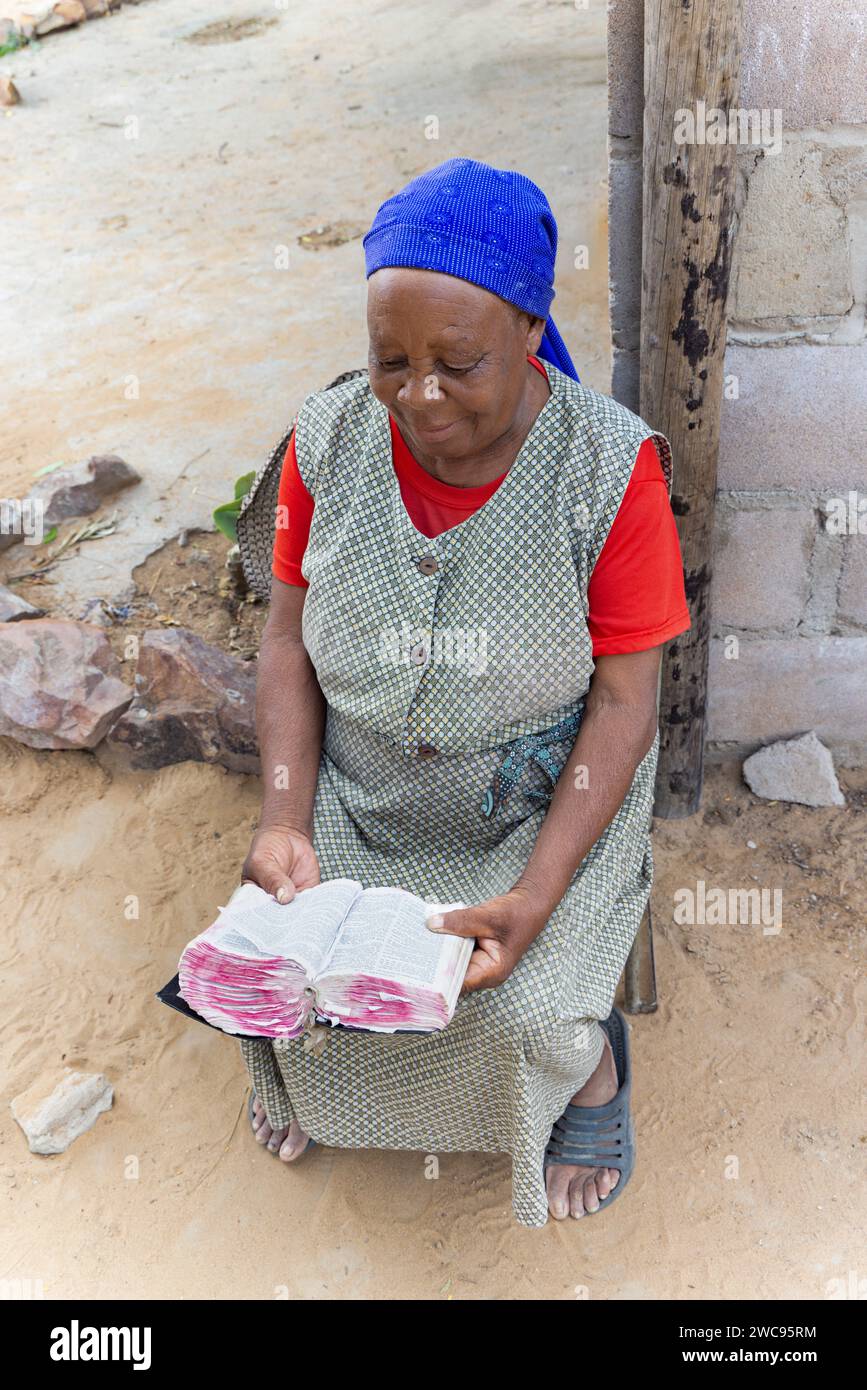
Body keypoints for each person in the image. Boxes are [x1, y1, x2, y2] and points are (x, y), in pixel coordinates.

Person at [237, 157, 690, 1226]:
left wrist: (537, 892)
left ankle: (591, 1070)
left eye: (458, 361)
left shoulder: (610, 470)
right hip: (361, 800)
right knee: (289, 977)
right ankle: (312, 1072)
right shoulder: (329, 438)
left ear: (532, 331)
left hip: (536, 807)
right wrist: (286, 815)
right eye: (390, 359)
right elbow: (287, 642)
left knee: (528, 1009)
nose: (419, 394)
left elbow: (626, 706)